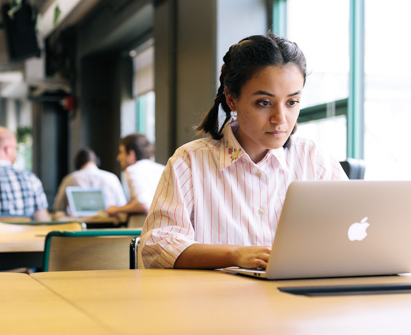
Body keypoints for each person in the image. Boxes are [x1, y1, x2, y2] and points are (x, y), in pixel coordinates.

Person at [141, 31, 348, 269]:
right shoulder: (190, 162)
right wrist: (235, 255)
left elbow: (353, 230)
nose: (280, 119)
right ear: (231, 99)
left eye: (292, 102)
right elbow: (157, 247)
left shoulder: (314, 159)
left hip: (296, 300)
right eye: (264, 103)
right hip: (216, 303)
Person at [0, 127, 50, 221]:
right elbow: (43, 222)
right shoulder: (31, 180)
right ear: (7, 149)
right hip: (22, 236)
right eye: (15, 148)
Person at [53, 148, 127, 214]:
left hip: (78, 226)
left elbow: (58, 207)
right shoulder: (112, 178)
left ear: (77, 163)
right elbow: (122, 204)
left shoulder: (69, 179)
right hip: (111, 226)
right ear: (97, 161)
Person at [106, 133, 165, 216]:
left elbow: (143, 204)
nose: (118, 158)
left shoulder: (132, 170)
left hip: (141, 226)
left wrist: (116, 209)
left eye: (121, 152)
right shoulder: (161, 168)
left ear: (131, 154)